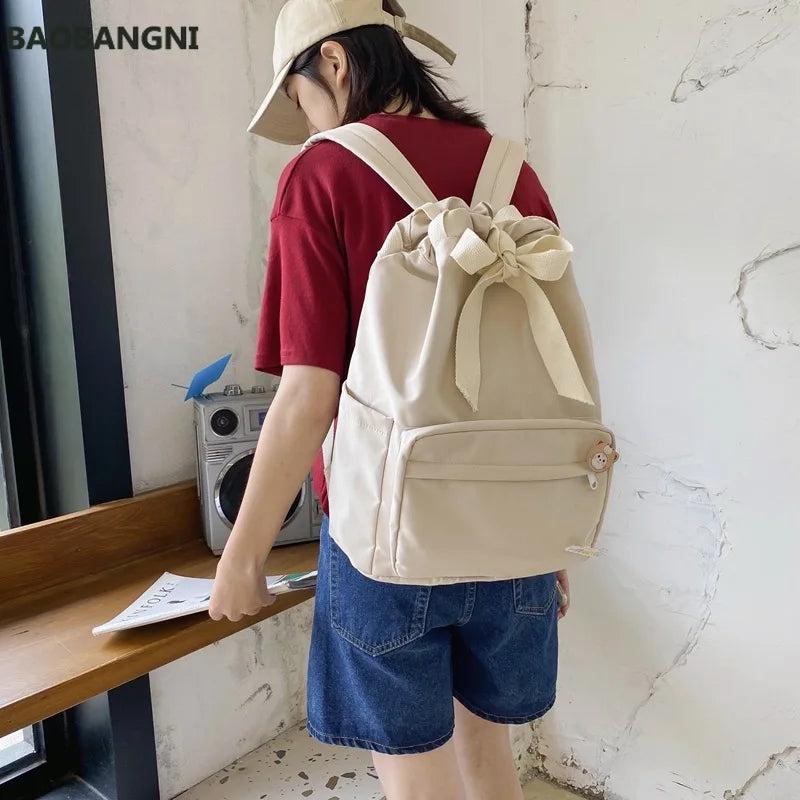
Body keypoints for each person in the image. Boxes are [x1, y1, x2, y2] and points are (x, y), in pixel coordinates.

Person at [209, 2, 570, 798]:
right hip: (514, 524)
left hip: (385, 534)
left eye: (299, 99)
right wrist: (545, 537)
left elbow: (308, 396)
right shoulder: (510, 170)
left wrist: (243, 556)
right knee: (490, 755)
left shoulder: (323, 172)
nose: (308, 125)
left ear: (334, 63)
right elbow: (543, 372)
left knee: (416, 775)